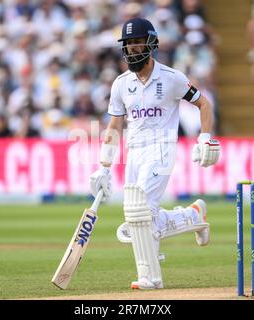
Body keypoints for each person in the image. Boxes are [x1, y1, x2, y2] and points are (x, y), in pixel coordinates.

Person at [90, 17, 220, 290]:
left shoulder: (172, 78)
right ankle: (193, 216)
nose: (132, 50)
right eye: (128, 45)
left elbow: (204, 104)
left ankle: (151, 277)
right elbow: (114, 125)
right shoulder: (121, 84)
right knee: (138, 217)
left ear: (151, 44)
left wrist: (205, 139)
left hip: (161, 149)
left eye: (137, 43)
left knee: (141, 211)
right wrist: (103, 166)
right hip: (134, 153)